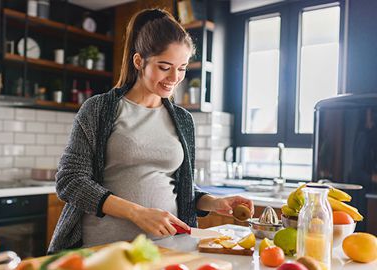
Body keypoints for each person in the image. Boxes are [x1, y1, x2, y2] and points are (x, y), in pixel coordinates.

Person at [48, 8, 254, 253]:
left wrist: (214, 202)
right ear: (139, 61)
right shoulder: (99, 109)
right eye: (164, 67)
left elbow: (180, 187)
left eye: (182, 68)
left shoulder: (182, 119)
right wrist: (137, 213)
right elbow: (70, 181)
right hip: (106, 250)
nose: (175, 78)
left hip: (169, 248)